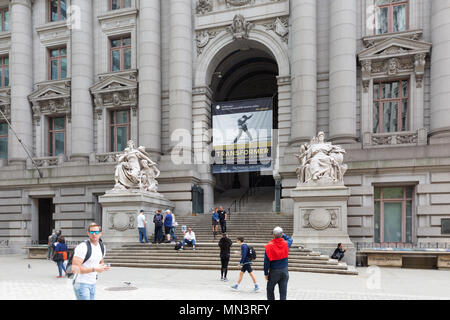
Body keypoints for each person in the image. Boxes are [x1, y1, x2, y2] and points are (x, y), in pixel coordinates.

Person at [71, 223, 110, 300]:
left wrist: (103, 267)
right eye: (92, 232)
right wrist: (94, 269)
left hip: (93, 283)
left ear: (100, 233)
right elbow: (74, 269)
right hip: (81, 283)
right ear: (88, 233)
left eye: (96, 232)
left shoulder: (102, 247)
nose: (94, 234)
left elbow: (100, 262)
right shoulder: (82, 247)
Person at [264, 226, 293, 300]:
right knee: (283, 292)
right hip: (284, 271)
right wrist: (283, 235)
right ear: (281, 234)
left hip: (274, 271)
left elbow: (266, 262)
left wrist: (266, 273)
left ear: (273, 235)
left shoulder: (269, 246)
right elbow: (290, 239)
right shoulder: (286, 244)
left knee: (270, 289)